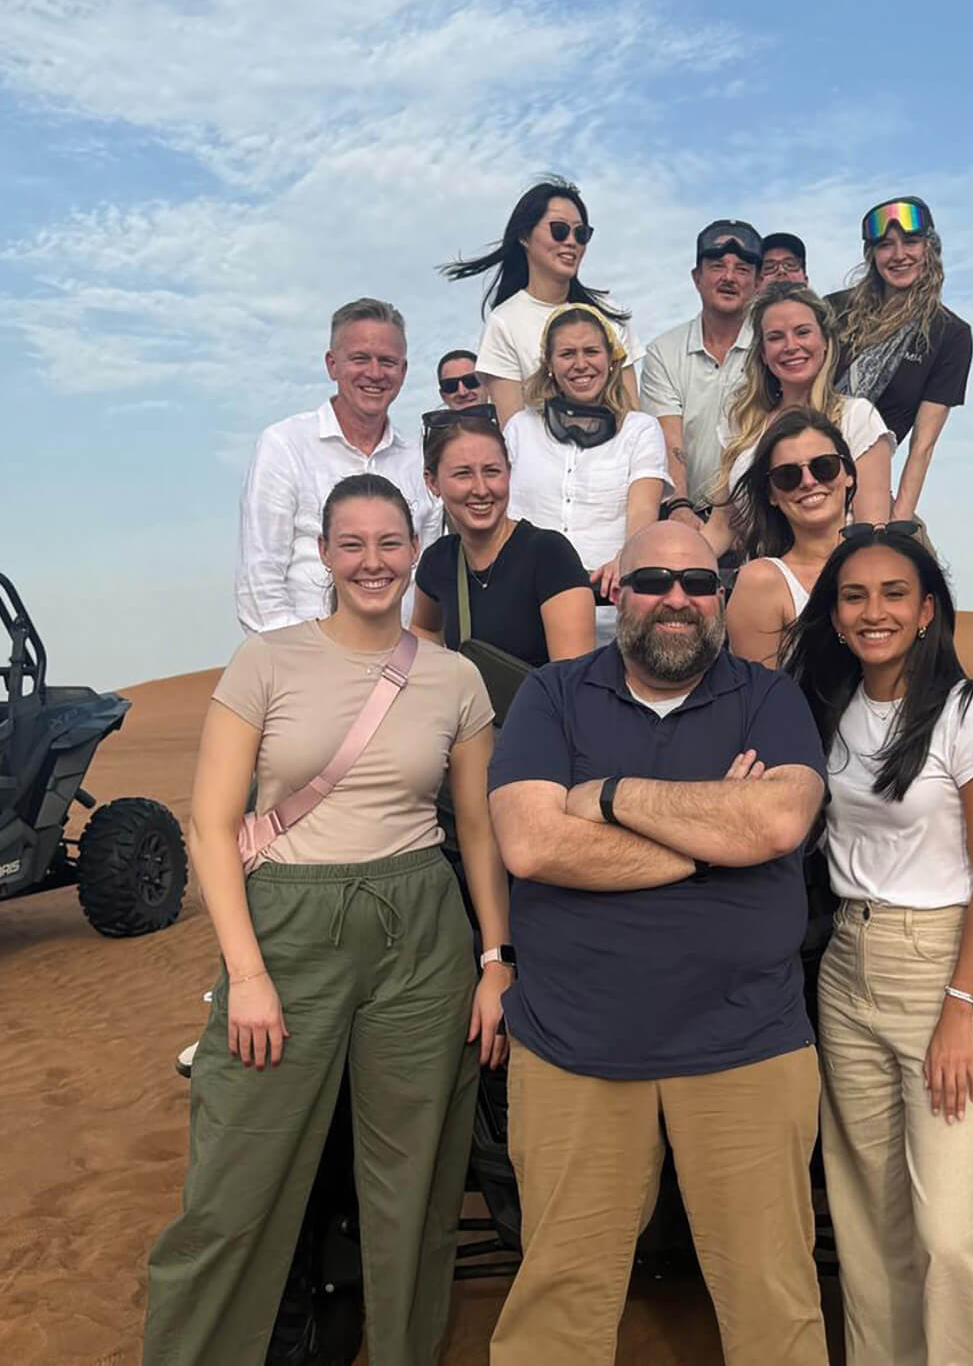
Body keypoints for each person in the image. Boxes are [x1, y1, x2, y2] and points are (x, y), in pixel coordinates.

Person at [145, 474, 512, 1366]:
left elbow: (476, 826)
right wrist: (247, 975)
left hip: (422, 928)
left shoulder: (454, 676)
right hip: (287, 925)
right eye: (352, 543)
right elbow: (211, 824)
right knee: (237, 1177)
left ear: (413, 551)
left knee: (414, 1179)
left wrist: (495, 958)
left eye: (389, 543)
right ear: (323, 554)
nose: (371, 561)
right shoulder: (266, 661)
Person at [486, 520, 830, 1366]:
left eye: (698, 583)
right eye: (653, 581)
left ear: (719, 596)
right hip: (574, 1045)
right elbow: (531, 843)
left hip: (746, 1041)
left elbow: (779, 821)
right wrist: (713, 837)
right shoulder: (553, 693)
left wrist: (605, 796)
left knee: (773, 1297)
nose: (677, 599)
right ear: (619, 592)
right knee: (558, 1296)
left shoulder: (766, 696)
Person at [787, 521, 973, 1365]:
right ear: (834, 614)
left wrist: (959, 1009)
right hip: (847, 963)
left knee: (949, 1229)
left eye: (892, 594)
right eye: (853, 596)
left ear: (926, 611)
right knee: (867, 1213)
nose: (871, 611)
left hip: (939, 970)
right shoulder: (831, 705)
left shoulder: (967, 714)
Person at [236, 298, 441, 633]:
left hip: (400, 657)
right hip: (301, 654)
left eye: (387, 361)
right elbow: (259, 582)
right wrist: (308, 656)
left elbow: (427, 583)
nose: (374, 373)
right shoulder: (285, 445)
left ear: (403, 371)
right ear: (332, 365)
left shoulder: (420, 460)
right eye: (360, 359)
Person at [505, 303, 666, 639]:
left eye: (591, 351)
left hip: (609, 617)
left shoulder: (640, 429)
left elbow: (643, 508)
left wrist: (626, 559)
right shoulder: (520, 428)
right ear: (550, 364)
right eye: (567, 354)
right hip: (526, 610)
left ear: (611, 359)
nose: (581, 364)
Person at [704, 282, 893, 558]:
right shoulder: (742, 421)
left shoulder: (858, 417)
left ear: (825, 342)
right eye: (776, 337)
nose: (791, 346)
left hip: (838, 573)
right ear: (762, 354)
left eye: (803, 332)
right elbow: (721, 526)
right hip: (763, 575)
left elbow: (872, 531)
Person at [441, 176, 640, 427]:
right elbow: (513, 432)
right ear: (524, 236)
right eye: (559, 230)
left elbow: (633, 416)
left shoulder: (610, 312)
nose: (571, 241)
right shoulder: (503, 323)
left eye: (581, 234)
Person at [413, 403, 595, 664]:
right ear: (432, 482)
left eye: (492, 471)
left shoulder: (549, 555)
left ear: (509, 473)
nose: (481, 489)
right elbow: (424, 629)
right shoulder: (438, 561)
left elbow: (571, 677)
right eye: (463, 474)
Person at [829, 197, 973, 521]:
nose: (898, 255)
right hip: (799, 472)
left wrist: (899, 521)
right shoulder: (834, 311)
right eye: (885, 245)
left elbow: (922, 446)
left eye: (910, 242)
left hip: (867, 487)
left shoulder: (950, 334)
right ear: (871, 254)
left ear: (930, 248)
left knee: (914, 552)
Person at [640, 219, 761, 523]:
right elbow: (668, 439)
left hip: (761, 514)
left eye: (742, 269)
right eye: (717, 267)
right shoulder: (663, 351)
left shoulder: (771, 348)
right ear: (697, 277)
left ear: (758, 282)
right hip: (686, 513)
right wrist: (679, 507)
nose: (729, 277)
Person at [725, 407, 855, 667]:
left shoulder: (890, 562)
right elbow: (757, 691)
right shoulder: (761, 581)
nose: (808, 482)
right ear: (771, 495)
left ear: (848, 474)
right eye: (787, 476)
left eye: (824, 466)